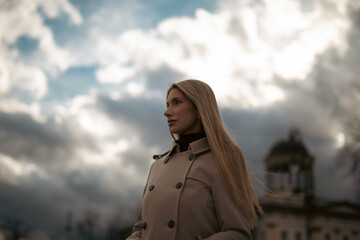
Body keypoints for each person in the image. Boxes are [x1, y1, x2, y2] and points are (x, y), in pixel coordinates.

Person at [126, 79, 262, 240]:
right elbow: (140, 231)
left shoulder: (222, 161)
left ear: (199, 108)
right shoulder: (157, 166)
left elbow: (237, 233)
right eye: (167, 104)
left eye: (176, 103)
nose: (167, 112)